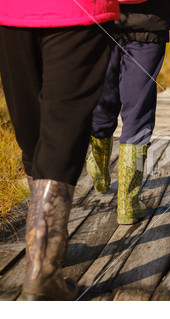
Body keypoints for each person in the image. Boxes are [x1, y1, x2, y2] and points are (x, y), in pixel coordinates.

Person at [0, 0, 120, 301]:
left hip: (11, 12)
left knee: (31, 125)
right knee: (62, 128)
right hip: (78, 13)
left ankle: (41, 249)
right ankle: (43, 268)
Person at [85, 0, 170, 224]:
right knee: (139, 111)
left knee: (102, 100)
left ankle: (99, 168)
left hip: (102, 17)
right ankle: (128, 203)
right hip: (149, 24)